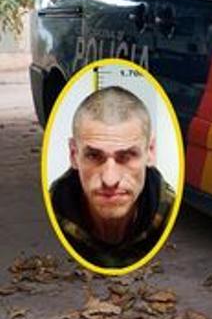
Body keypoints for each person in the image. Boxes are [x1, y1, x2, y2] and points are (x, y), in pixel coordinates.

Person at [50, 86, 175, 268]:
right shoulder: (52, 213)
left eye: (126, 156)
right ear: (73, 154)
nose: (110, 180)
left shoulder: (168, 211)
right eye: (94, 156)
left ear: (150, 152)